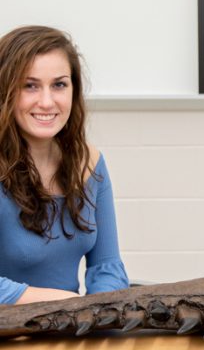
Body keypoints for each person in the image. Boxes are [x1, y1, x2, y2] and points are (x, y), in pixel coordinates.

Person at [0, 25, 129, 304]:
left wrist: (99, 313)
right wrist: (67, 305)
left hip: (68, 333)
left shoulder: (90, 163)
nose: (47, 102)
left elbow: (106, 266)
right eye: (29, 85)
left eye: (59, 85)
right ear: (6, 90)